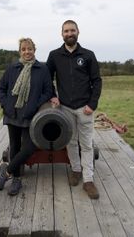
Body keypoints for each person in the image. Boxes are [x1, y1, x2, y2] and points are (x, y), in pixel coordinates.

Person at [46, 20, 102, 199]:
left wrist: (92, 104)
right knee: (70, 142)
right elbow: (48, 79)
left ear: (78, 32)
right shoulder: (54, 55)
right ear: (61, 34)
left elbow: (97, 81)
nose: (69, 33)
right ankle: (76, 171)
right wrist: (53, 95)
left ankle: (88, 180)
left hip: (85, 107)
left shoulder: (88, 55)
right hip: (65, 108)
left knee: (86, 145)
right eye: (66, 31)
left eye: (72, 30)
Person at [0, 38, 53, 195]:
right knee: (14, 146)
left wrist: (35, 104)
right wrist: (6, 105)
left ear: (34, 50)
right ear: (20, 51)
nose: (27, 52)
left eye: (30, 49)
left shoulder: (42, 69)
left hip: (31, 116)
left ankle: (6, 172)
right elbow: (1, 88)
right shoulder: (12, 68)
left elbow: (49, 91)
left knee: (29, 148)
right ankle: (16, 179)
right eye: (23, 49)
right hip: (12, 114)